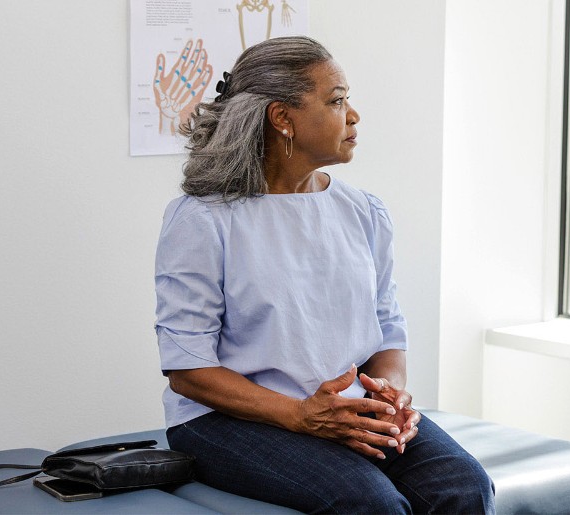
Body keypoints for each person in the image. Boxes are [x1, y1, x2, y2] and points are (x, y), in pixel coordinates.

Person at [154, 36, 495, 514]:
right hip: (226, 420)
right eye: (336, 101)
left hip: (345, 407)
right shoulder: (204, 219)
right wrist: (301, 415)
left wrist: (390, 394)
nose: (353, 115)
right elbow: (187, 368)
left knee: (462, 486)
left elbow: (386, 325)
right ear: (283, 118)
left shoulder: (363, 211)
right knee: (371, 505)